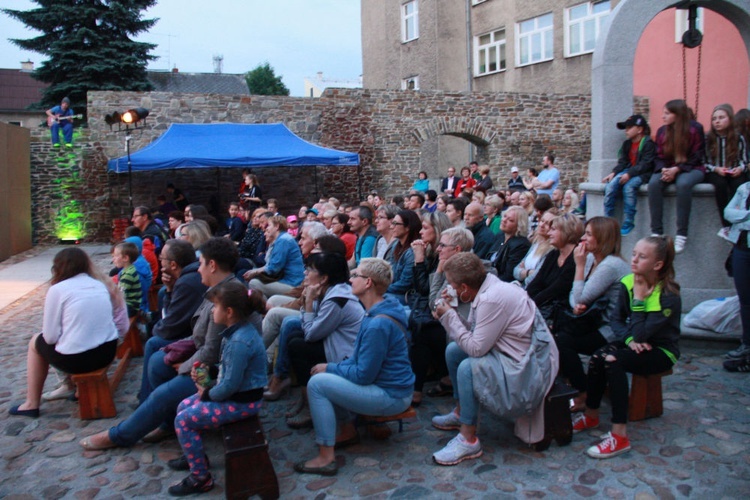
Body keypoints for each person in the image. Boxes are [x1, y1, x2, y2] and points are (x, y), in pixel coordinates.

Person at [80, 238, 245, 450]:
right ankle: (167, 422)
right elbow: (198, 336)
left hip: (220, 373)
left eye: (201, 263)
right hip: (210, 361)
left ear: (212, 266)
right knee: (158, 360)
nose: (198, 269)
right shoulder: (217, 289)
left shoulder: (227, 298)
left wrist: (184, 365)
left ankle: (120, 435)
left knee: (162, 392)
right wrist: (171, 350)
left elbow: (212, 352)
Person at [430, 253, 558, 465]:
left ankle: (468, 439)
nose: (449, 288)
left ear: (463, 287)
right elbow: (475, 331)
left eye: (452, 284)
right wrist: (452, 309)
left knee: (467, 368)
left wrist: (448, 316)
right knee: (454, 351)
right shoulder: (486, 289)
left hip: (526, 364)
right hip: (509, 352)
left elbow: (476, 348)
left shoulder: (492, 298)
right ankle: (461, 412)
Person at [293, 258, 414, 476]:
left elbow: (363, 375)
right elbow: (357, 359)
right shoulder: (374, 312)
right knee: (327, 374)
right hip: (387, 387)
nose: (350, 279)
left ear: (368, 282)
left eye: (356, 275)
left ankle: (326, 457)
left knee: (318, 384)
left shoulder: (378, 322)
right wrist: (332, 366)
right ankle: (346, 431)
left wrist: (330, 369)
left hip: (392, 395)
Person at [572, 236, 681, 459]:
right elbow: (617, 321)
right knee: (598, 357)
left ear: (657, 265)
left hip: (662, 350)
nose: (634, 260)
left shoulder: (668, 296)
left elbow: (644, 332)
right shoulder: (628, 282)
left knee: (614, 361)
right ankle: (592, 414)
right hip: (634, 340)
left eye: (641, 257)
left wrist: (639, 300)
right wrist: (630, 341)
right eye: (634, 254)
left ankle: (619, 434)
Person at [167, 281, 267, 496]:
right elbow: (229, 369)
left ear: (229, 312)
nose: (212, 310)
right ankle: (195, 455)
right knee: (183, 406)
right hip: (236, 395)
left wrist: (207, 393)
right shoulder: (235, 332)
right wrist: (210, 372)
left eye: (215, 306)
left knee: (183, 421)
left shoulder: (240, 340)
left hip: (243, 402)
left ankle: (200, 478)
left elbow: (230, 385)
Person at [10, 248, 121, 418]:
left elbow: (50, 337)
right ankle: (74, 389)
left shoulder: (58, 289)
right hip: (107, 352)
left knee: (35, 342)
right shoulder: (98, 285)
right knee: (73, 338)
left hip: (79, 359)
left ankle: (31, 403)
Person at [275, 252, 365, 429]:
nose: (305, 273)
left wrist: (308, 301)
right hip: (334, 342)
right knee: (294, 336)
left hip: (346, 354)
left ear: (324, 278)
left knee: (297, 345)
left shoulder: (337, 300)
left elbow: (311, 333)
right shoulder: (327, 291)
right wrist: (309, 302)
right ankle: (305, 398)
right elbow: (310, 324)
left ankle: (311, 405)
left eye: (310, 270)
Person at [555, 217, 630, 411]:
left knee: (563, 342)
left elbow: (579, 296)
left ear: (602, 238)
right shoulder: (591, 259)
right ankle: (573, 385)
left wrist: (578, 267)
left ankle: (582, 391)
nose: (583, 238)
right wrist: (578, 303)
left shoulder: (609, 266)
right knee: (556, 332)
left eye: (588, 234)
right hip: (591, 320)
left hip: (611, 328)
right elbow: (575, 296)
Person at [647, 99, 706, 254]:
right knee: (653, 184)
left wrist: (677, 169)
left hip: (692, 168)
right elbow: (658, 156)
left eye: (667, 113)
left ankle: (681, 234)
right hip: (668, 168)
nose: (662, 117)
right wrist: (665, 170)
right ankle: (657, 232)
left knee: (684, 184)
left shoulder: (695, 129)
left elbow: (698, 155)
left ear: (677, 114)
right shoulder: (661, 131)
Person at [408, 211, 452, 406]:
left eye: (425, 228)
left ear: (437, 230)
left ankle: (416, 388)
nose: (420, 232)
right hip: (429, 309)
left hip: (445, 313)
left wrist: (418, 260)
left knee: (422, 332)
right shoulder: (432, 253)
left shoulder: (445, 256)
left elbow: (426, 290)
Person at [603, 114, 656, 236]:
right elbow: (623, 162)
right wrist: (614, 173)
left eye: (629, 127)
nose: (626, 131)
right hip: (629, 171)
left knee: (629, 187)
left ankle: (629, 220)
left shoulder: (648, 143)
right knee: (610, 186)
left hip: (643, 174)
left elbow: (646, 164)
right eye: (625, 128)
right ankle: (608, 218)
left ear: (639, 129)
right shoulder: (627, 144)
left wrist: (629, 174)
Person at [526, 213, 583, 326]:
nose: (549, 233)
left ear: (566, 231)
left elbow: (555, 290)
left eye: (553, 229)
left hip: (559, 314)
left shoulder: (575, 258)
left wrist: (529, 304)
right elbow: (537, 282)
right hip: (540, 306)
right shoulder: (553, 254)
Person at [704, 104, 749, 232]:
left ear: (730, 119)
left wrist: (740, 168)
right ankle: (726, 224)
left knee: (739, 184)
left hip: (733, 170)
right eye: (714, 119)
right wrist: (716, 169)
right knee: (720, 184)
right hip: (714, 171)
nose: (717, 121)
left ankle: (740, 221)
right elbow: (703, 162)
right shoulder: (708, 138)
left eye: (721, 117)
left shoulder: (738, 138)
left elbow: (744, 160)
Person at [723, 180, 750, 370]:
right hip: (741, 247)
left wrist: (741, 217)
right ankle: (746, 344)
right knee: (745, 300)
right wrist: (747, 216)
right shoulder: (744, 188)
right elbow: (728, 213)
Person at [244, 215, 305, 297]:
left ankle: (263, 307)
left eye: (269, 225)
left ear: (277, 226)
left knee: (254, 283)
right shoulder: (282, 239)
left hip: (292, 284)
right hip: (288, 281)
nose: (267, 228)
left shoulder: (283, 240)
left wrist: (255, 271)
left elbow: (274, 268)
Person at [514, 208, 558, 287]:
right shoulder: (536, 242)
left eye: (547, 224)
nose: (541, 225)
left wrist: (524, 272)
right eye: (542, 221)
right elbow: (515, 271)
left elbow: (535, 278)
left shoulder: (551, 250)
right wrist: (529, 272)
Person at [487, 206, 531, 282]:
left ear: (519, 225)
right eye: (505, 216)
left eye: (510, 220)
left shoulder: (521, 245)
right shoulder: (500, 235)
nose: (504, 220)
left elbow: (509, 275)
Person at [385, 210, 420, 303]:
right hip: (393, 290)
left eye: (395, 224)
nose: (391, 227)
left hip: (407, 297)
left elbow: (405, 284)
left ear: (408, 227)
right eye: (392, 223)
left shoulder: (412, 251)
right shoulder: (396, 245)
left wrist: (379, 289)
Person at [112, 242, 142, 317]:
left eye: (115, 256)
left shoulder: (128, 275)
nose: (113, 259)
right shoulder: (129, 269)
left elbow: (120, 294)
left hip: (130, 307)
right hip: (130, 305)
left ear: (125, 258)